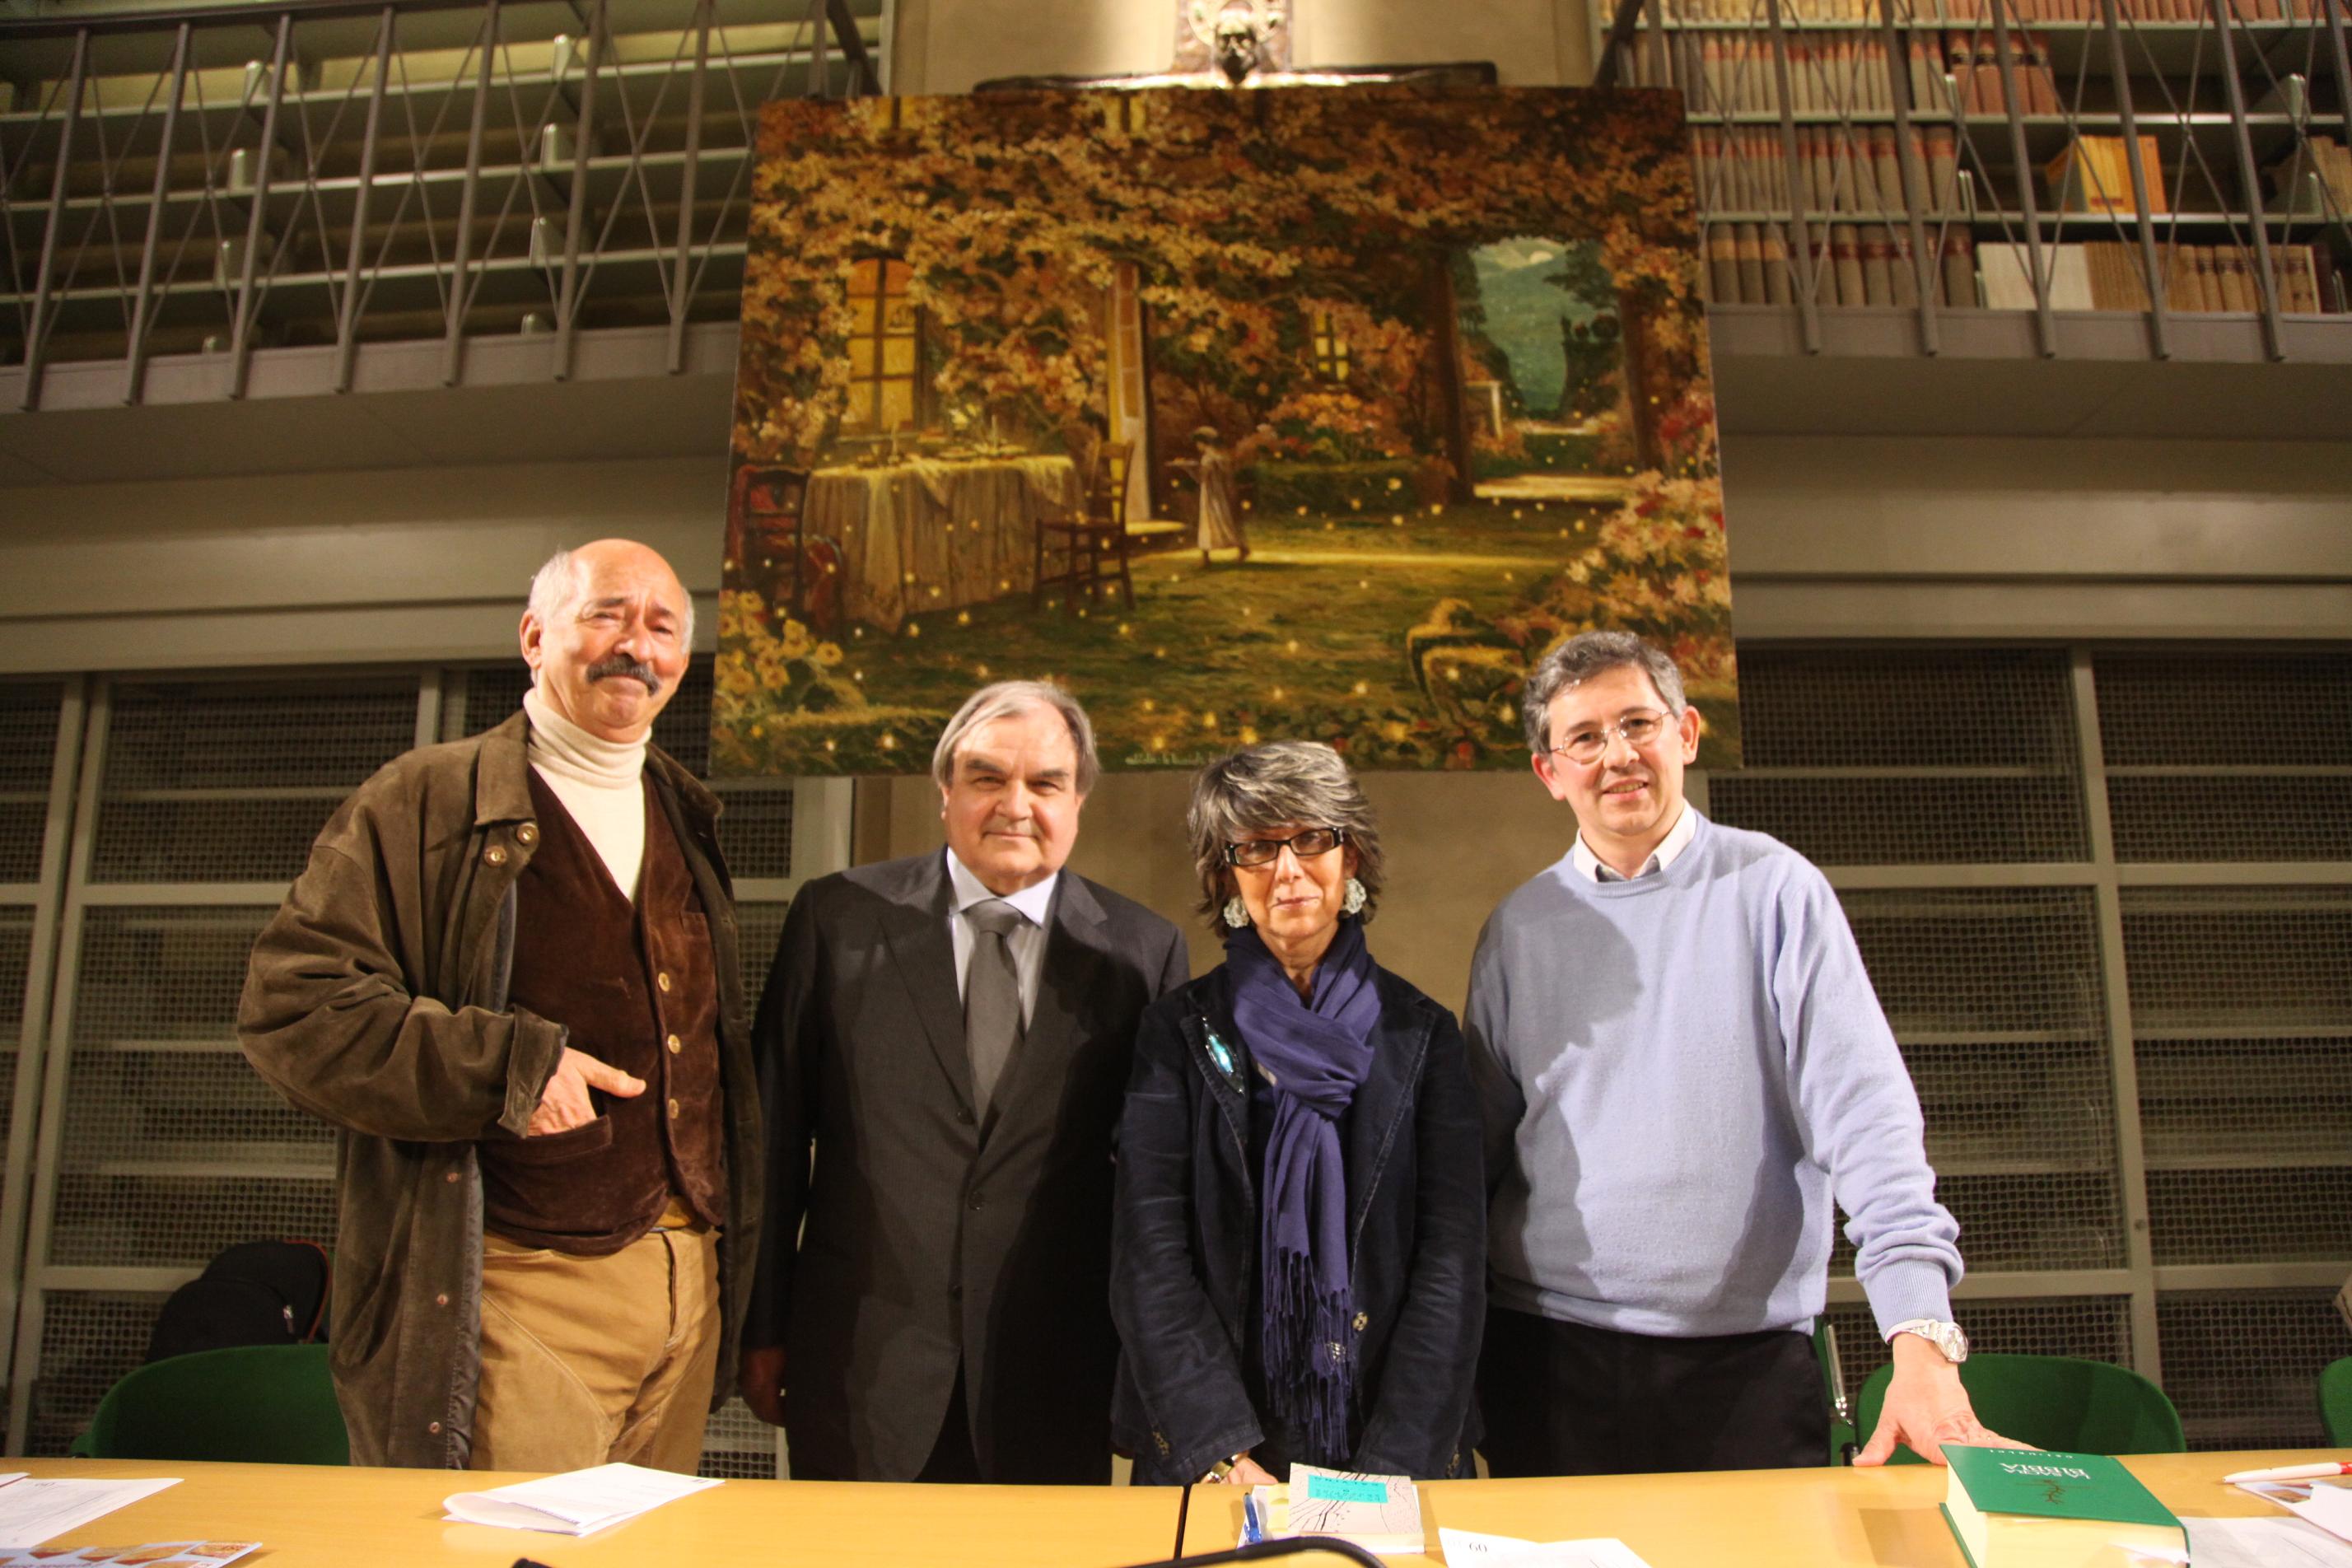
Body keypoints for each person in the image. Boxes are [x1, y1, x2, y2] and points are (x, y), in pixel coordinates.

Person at [239, 539, 759, 1472]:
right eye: (605, 615)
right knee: (501, 1541)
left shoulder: (686, 813)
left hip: (689, 1287)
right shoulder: (424, 798)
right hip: (515, 1281)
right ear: (534, 637)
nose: (635, 646)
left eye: (662, 627)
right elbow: (294, 1009)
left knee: (651, 1545)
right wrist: (511, 1069)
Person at [1467, 630, 2016, 1476]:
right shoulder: (1518, 928)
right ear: (1550, 771)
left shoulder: (1777, 890)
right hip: (1546, 1358)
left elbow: (1868, 1119)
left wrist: (1922, 1333)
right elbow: (1472, 1158)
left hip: (1747, 1365)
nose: (1618, 755)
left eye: (1638, 724)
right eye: (1585, 737)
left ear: (1686, 733)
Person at [740, 679, 1188, 1482]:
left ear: (1078, 801)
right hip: (861, 1373)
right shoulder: (835, 920)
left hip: (1054, 1379)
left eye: (1045, 783)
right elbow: (770, 1144)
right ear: (944, 790)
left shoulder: (1143, 954)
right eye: (987, 777)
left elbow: (1157, 1194)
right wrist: (761, 1324)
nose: (1016, 805)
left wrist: (1149, 1371)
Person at [1112, 741, 1484, 1486]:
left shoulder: (1423, 1034)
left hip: (1388, 1442)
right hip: (1224, 1446)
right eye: (1256, 847)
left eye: (1311, 838)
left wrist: (1394, 1464)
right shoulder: (1175, 1031)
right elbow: (1149, 1255)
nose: (1287, 869)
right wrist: (1222, 1451)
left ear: (1351, 859)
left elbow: (1453, 1261)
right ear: (1227, 876)